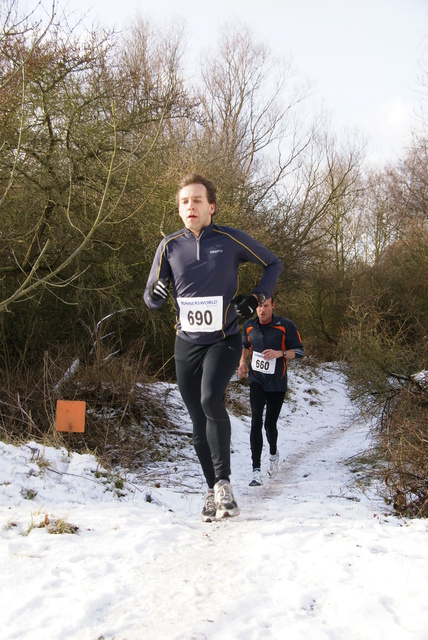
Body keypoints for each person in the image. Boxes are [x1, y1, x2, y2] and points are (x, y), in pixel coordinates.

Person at [144, 173, 283, 521]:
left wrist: (256, 297)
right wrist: (156, 296)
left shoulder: (230, 239)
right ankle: (210, 491)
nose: (190, 206)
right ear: (179, 209)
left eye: (197, 200)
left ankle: (224, 483)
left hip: (224, 340)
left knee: (210, 399)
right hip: (186, 343)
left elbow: (273, 263)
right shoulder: (169, 246)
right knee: (196, 419)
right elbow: (150, 296)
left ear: (211, 206)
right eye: (184, 201)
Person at [238, 296, 304, 486]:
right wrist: (243, 361)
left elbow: (299, 352)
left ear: (273, 306)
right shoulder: (249, 325)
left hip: (277, 383)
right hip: (257, 380)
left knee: (269, 425)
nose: (262, 310)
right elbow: (246, 345)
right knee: (256, 418)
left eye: (266, 306)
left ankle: (273, 454)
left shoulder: (285, 325)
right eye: (259, 306)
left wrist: (280, 353)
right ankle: (255, 471)